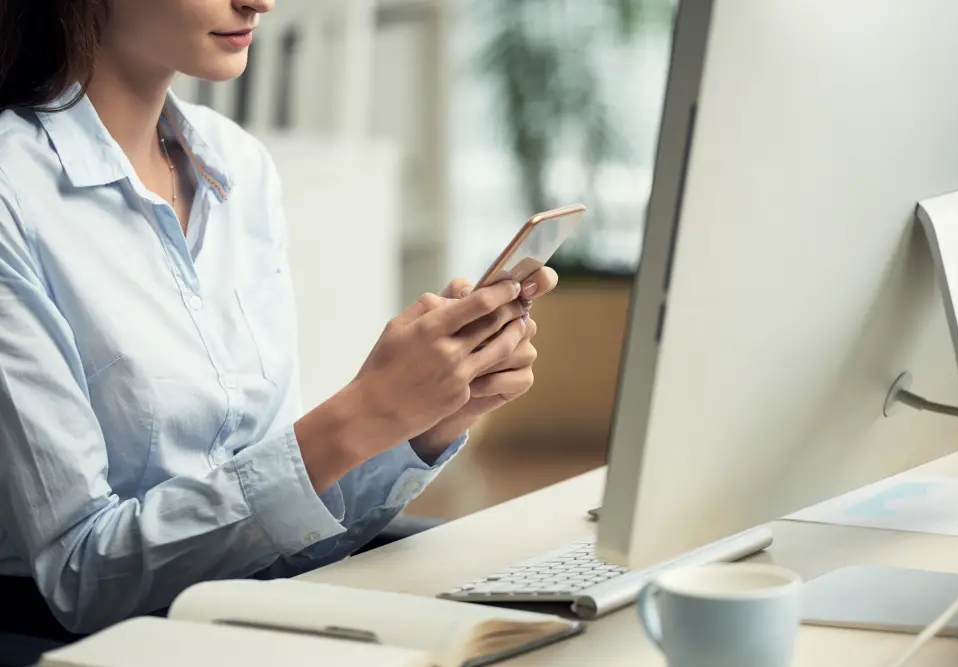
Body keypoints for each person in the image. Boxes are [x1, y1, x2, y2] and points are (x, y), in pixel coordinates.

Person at [0, 0, 558, 640]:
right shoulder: (13, 194)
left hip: (250, 620)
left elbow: (278, 531)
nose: (260, 1)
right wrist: (361, 414)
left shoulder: (239, 167)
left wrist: (429, 417)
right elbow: (80, 577)